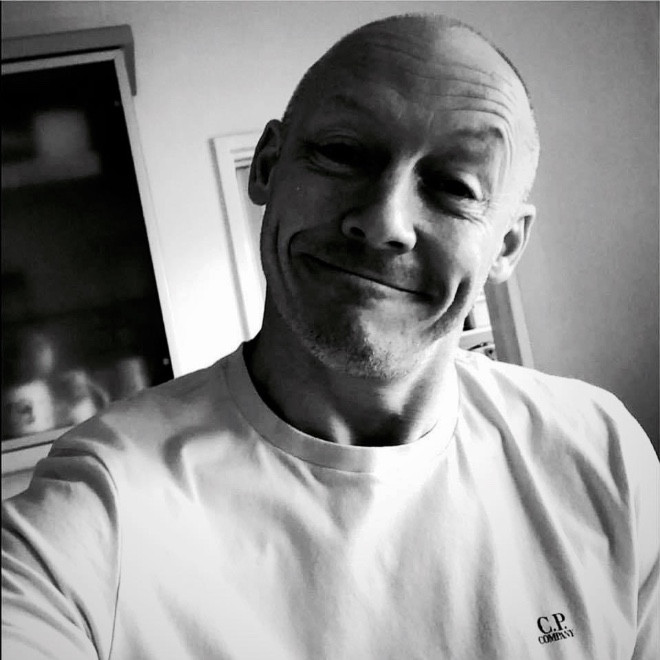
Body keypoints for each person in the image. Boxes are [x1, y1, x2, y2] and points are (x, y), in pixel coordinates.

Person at [2, 13, 658, 660]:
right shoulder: (103, 508)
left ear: (507, 245)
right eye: (343, 154)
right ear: (267, 166)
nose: (384, 221)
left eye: (455, 187)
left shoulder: (599, 453)